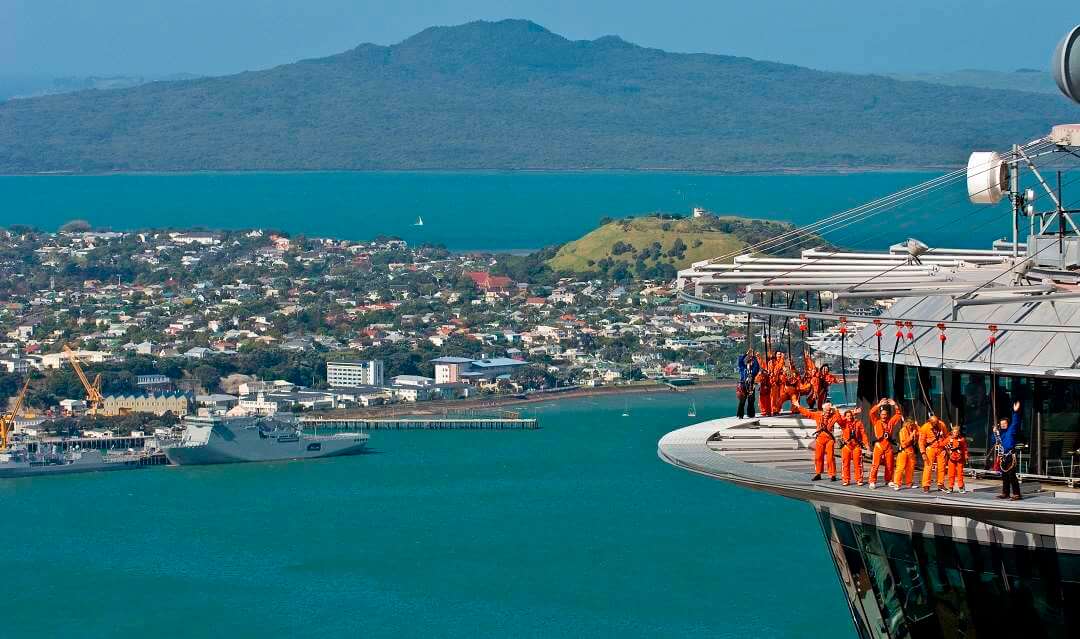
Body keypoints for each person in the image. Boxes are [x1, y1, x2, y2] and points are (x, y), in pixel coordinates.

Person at [793, 396, 840, 481]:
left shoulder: (834, 416)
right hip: (820, 439)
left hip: (830, 439)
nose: (828, 411)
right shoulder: (818, 414)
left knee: (830, 457)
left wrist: (836, 410)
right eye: (827, 409)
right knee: (818, 457)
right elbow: (808, 413)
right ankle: (818, 473)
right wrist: (798, 406)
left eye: (829, 409)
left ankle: (832, 474)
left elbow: (841, 419)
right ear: (823, 409)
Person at [868, 398, 902, 489]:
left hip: (888, 446)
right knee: (875, 465)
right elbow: (871, 412)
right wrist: (879, 405)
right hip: (878, 445)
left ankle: (889, 480)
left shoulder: (890, 422)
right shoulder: (876, 421)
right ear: (880, 415)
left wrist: (895, 405)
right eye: (882, 414)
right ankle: (872, 481)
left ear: (887, 415)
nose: (884, 416)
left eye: (885, 414)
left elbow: (898, 415)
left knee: (890, 464)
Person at [997, 401, 1023, 500]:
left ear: (1008, 424)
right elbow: (993, 441)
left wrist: (1015, 412)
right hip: (1003, 456)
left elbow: (1015, 422)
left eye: (1004, 423)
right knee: (1004, 476)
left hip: (1010, 455)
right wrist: (995, 432)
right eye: (1001, 424)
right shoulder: (1000, 433)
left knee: (1012, 475)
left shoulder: (1011, 430)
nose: (1003, 425)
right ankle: (1005, 493)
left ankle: (1017, 494)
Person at [838, 408, 868, 486]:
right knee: (845, 464)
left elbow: (863, 434)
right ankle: (846, 480)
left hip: (856, 446)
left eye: (850, 415)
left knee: (858, 464)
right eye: (847, 416)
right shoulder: (843, 423)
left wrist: (866, 443)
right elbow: (839, 419)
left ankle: (859, 480)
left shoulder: (858, 423)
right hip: (846, 446)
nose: (849, 417)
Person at [918, 415, 948, 493]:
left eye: (937, 422)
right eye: (934, 423)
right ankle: (926, 485)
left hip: (941, 449)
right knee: (928, 467)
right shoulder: (924, 428)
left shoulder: (942, 424)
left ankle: (940, 484)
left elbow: (946, 436)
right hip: (930, 448)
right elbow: (921, 442)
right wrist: (923, 453)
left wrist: (946, 448)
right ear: (930, 422)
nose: (936, 424)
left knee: (942, 467)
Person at [890, 419, 919, 490]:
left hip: (911, 451)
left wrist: (917, 426)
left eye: (912, 425)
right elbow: (903, 444)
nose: (911, 426)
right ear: (907, 424)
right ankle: (897, 483)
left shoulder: (912, 430)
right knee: (900, 468)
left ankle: (909, 483)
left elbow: (920, 433)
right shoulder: (902, 431)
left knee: (910, 468)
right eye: (910, 425)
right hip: (903, 451)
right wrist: (911, 436)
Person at [943, 423, 968, 493]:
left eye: (957, 432)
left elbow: (965, 449)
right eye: (954, 432)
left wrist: (966, 456)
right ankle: (950, 487)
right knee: (951, 474)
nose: (955, 434)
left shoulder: (962, 440)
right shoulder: (949, 439)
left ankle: (961, 487)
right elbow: (942, 444)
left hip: (960, 459)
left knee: (960, 474)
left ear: (958, 433)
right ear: (952, 432)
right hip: (951, 459)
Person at [736, 350, 760, 419]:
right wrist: (746, 354)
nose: (750, 363)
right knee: (742, 401)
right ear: (746, 362)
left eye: (751, 362)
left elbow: (757, 366)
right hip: (743, 385)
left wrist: (753, 357)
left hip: (751, 385)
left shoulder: (754, 370)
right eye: (749, 361)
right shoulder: (742, 368)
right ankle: (740, 415)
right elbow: (740, 361)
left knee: (751, 400)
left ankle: (751, 414)